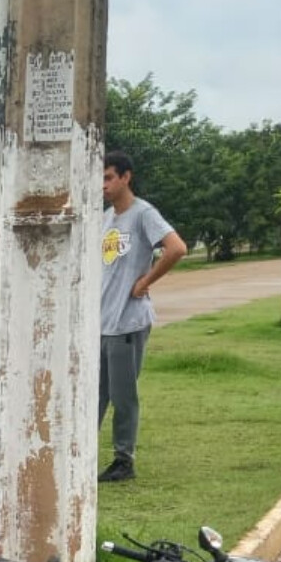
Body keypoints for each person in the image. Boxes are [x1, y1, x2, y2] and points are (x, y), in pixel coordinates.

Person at [98, 150, 187, 483]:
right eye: (100, 179)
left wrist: (146, 281)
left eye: (108, 177)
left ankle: (124, 460)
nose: (103, 185)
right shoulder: (106, 218)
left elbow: (176, 248)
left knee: (123, 396)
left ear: (126, 177)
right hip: (103, 321)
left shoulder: (142, 214)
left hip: (128, 320)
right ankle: (81, 453)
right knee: (96, 393)